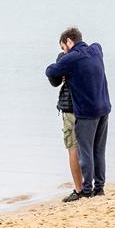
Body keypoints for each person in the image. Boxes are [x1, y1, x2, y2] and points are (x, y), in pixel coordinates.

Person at [45, 27, 111, 201]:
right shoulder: (95, 50)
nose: (63, 52)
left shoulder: (72, 58)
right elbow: (97, 46)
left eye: (63, 48)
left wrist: (61, 61)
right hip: (103, 108)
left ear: (69, 41)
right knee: (99, 151)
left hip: (87, 112)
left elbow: (50, 72)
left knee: (85, 152)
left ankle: (86, 190)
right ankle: (99, 188)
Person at [48, 51, 84, 202]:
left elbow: (54, 80)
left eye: (62, 46)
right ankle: (92, 185)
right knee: (87, 149)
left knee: (73, 150)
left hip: (70, 109)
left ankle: (79, 189)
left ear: (67, 43)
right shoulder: (87, 55)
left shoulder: (64, 58)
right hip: (86, 108)